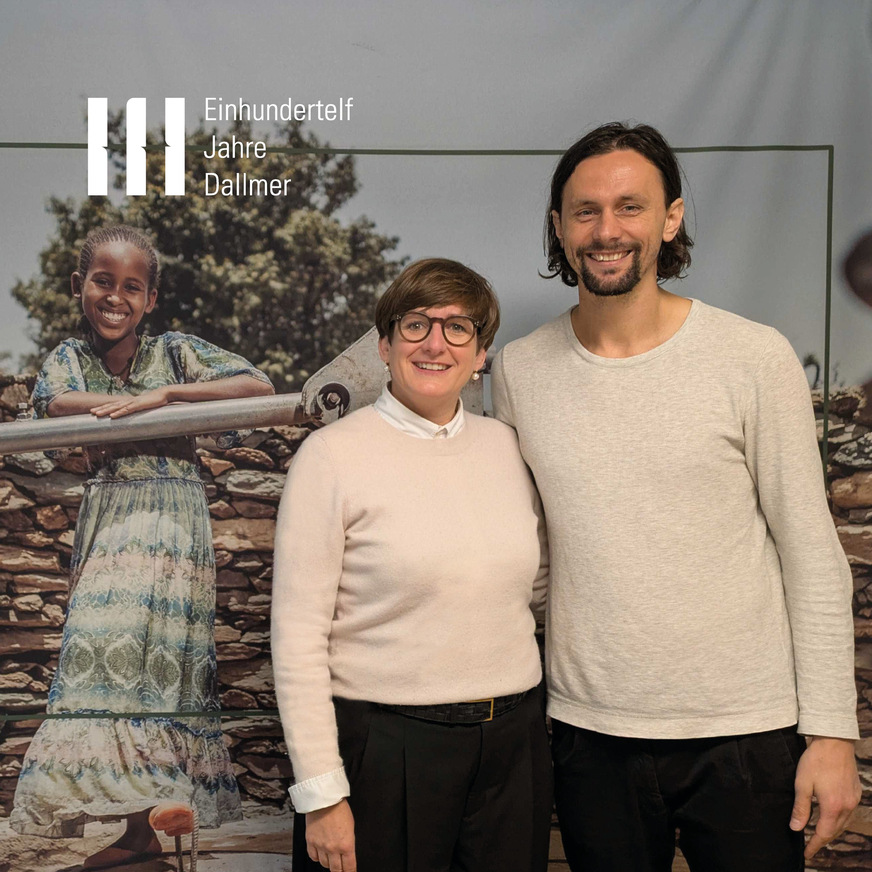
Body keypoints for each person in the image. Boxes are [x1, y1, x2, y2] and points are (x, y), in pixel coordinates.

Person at [491, 122, 861, 872]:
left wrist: (831, 733)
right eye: (585, 210)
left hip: (747, 734)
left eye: (630, 207)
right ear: (559, 228)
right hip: (590, 734)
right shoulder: (520, 370)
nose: (606, 230)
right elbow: (528, 552)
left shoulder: (752, 356)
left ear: (671, 218)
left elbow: (811, 553)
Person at [271, 258, 551, 872]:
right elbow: (296, 639)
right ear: (384, 345)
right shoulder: (331, 457)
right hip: (386, 751)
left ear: (481, 355)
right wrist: (322, 794)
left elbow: (535, 589)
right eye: (416, 324)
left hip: (513, 749)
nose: (435, 343)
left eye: (458, 329)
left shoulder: (509, 448)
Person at [11, 225, 274, 869]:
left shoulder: (178, 351)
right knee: (101, 654)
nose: (116, 297)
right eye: (103, 281)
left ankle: (146, 827)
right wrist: (138, 406)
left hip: (174, 523)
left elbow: (258, 386)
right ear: (80, 287)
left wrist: (170, 394)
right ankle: (141, 819)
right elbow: (54, 401)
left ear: (150, 298)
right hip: (113, 519)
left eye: (132, 286)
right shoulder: (70, 355)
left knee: (162, 666)